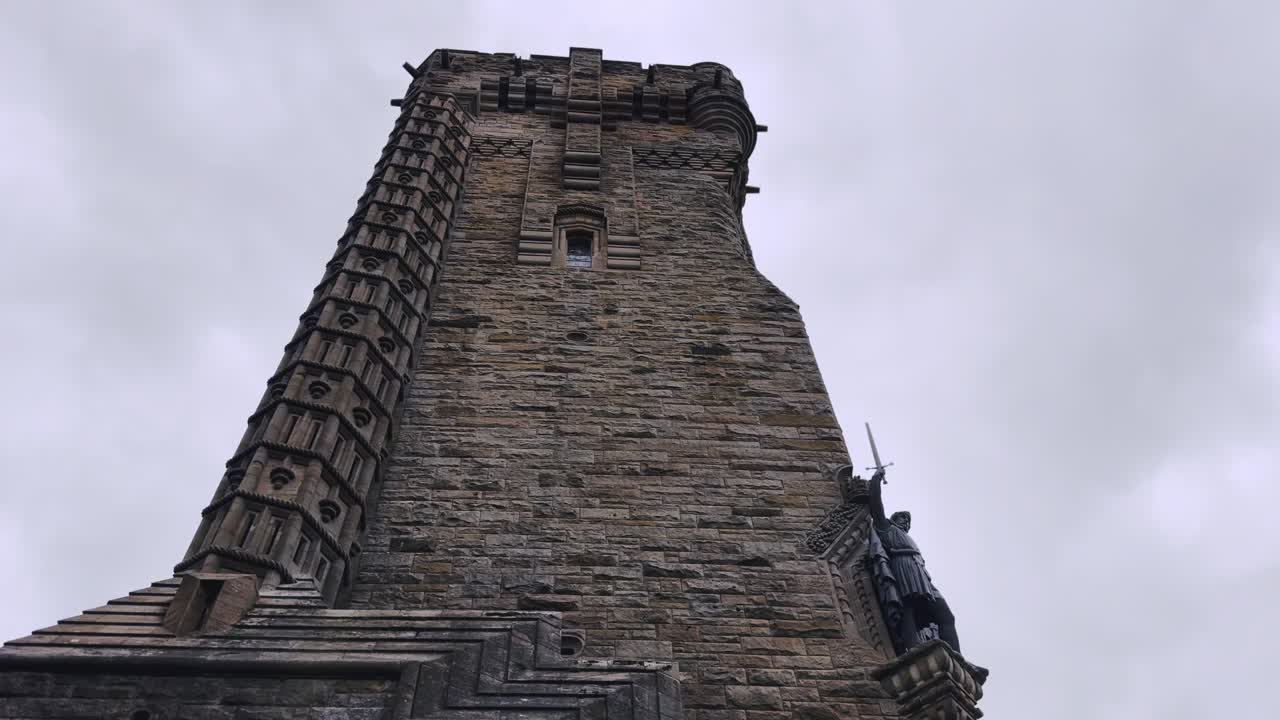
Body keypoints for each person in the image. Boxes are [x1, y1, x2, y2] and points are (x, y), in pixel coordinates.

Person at [866, 468, 961, 654]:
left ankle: (957, 657)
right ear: (894, 519)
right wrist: (876, 480)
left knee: (946, 616)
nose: (906, 522)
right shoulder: (887, 529)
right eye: (903, 518)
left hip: (921, 575)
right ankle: (915, 653)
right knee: (907, 610)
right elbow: (876, 506)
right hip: (902, 568)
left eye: (908, 521)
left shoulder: (907, 538)